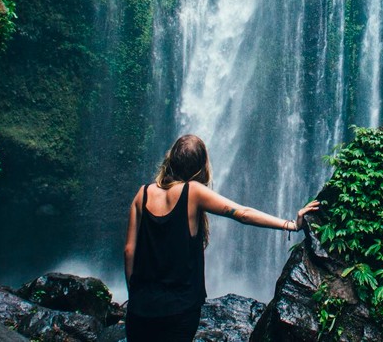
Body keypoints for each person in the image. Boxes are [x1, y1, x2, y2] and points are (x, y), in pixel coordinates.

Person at [123, 134, 319, 342]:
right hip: (178, 311)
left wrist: (134, 297)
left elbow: (129, 251)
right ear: (201, 167)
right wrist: (290, 224)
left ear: (171, 159)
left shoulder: (142, 194)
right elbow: (242, 213)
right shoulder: (192, 192)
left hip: (140, 310)